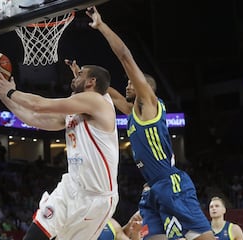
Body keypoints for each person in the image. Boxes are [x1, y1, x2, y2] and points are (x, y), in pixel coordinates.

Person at [85, 6, 216, 240]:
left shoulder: (148, 103)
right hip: (153, 187)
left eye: (131, 83)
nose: (127, 85)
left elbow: (125, 56)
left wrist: (102, 26)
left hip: (170, 183)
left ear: (146, 88)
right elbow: (111, 95)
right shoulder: (134, 112)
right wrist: (85, 80)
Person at [0, 62, 119, 240]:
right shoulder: (74, 111)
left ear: (91, 82)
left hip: (96, 198)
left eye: (79, 75)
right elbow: (34, 118)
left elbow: (39, 105)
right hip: (70, 187)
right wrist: (3, 94)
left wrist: (11, 91)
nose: (74, 78)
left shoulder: (97, 100)